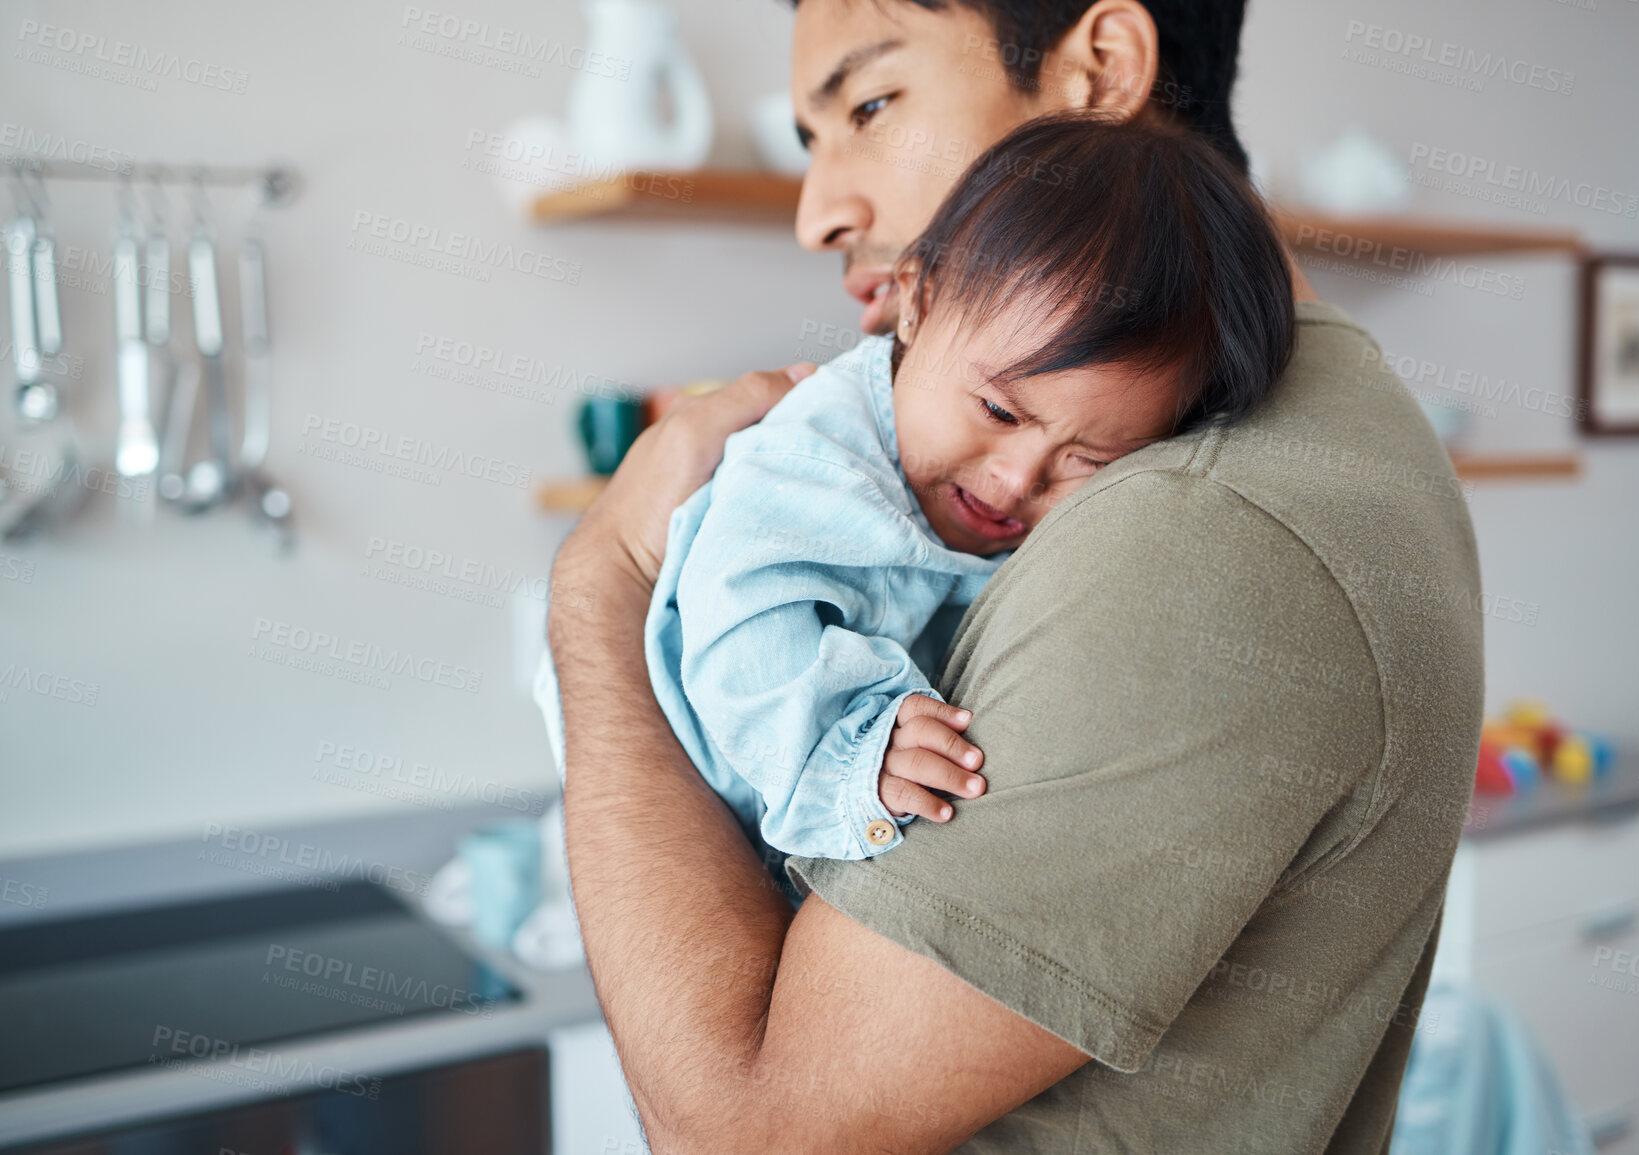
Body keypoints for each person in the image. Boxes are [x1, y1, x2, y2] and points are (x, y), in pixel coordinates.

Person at [541, 1, 1485, 1150]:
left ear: (1102, 67)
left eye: (872, 105)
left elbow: (741, 1131)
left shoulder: (1201, 526)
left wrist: (602, 579)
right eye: (808, 139)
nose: (817, 211)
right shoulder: (1296, 437)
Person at [634, 115, 1293, 885]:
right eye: (999, 412)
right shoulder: (817, 460)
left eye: (1091, 459)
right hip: (697, 799)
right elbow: (741, 625)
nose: (1016, 480)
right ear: (915, 300)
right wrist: (855, 747)